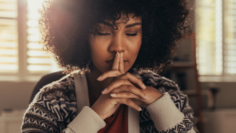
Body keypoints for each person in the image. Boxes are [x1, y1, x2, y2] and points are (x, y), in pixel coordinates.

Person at [21, 0, 197, 132]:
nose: (118, 47)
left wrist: (161, 108)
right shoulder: (52, 100)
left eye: (131, 32)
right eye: (103, 32)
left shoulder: (165, 92)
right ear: (80, 35)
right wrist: (94, 115)